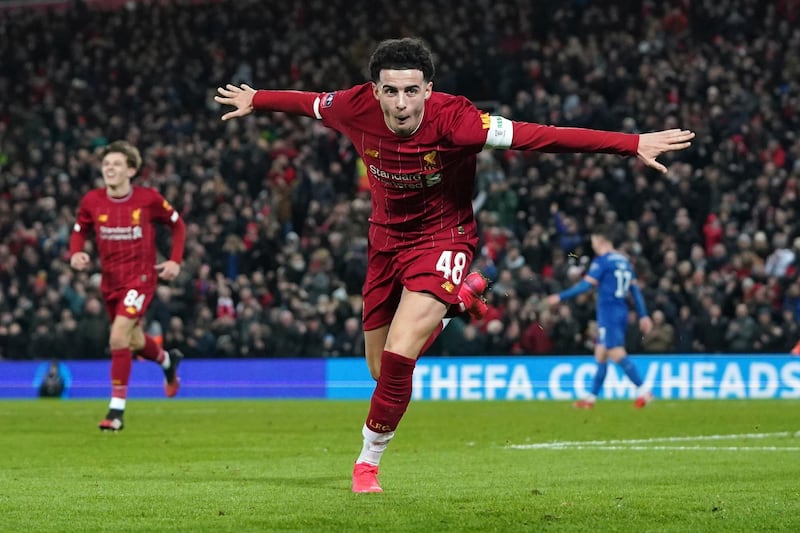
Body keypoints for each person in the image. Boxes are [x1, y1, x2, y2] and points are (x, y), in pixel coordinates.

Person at [215, 37, 693, 492]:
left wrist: (629, 143)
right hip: (384, 242)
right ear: (375, 90)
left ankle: (367, 461)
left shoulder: (459, 121)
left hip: (443, 239)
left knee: (402, 351)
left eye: (410, 91)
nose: (401, 103)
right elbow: (307, 102)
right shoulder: (351, 107)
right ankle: (458, 301)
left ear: (427, 89)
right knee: (382, 371)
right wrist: (257, 98)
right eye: (390, 91)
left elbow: (539, 136)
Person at [69, 140, 186, 431]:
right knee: (132, 341)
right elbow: (79, 228)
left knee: (118, 336)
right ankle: (166, 360)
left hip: (141, 279)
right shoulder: (92, 201)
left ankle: (116, 411)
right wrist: (76, 253)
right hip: (111, 282)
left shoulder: (148, 199)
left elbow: (178, 225)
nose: (109, 169)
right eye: (106, 164)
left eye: (116, 164)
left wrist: (174, 261)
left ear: (131, 170)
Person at [547, 225, 654, 409]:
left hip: (609, 312)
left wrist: (560, 296)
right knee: (601, 354)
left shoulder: (603, 261)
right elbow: (635, 291)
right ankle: (590, 399)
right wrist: (643, 315)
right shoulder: (624, 261)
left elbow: (585, 286)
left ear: (601, 241)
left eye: (594, 242)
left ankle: (644, 390)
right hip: (620, 310)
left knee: (615, 352)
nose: (593, 246)